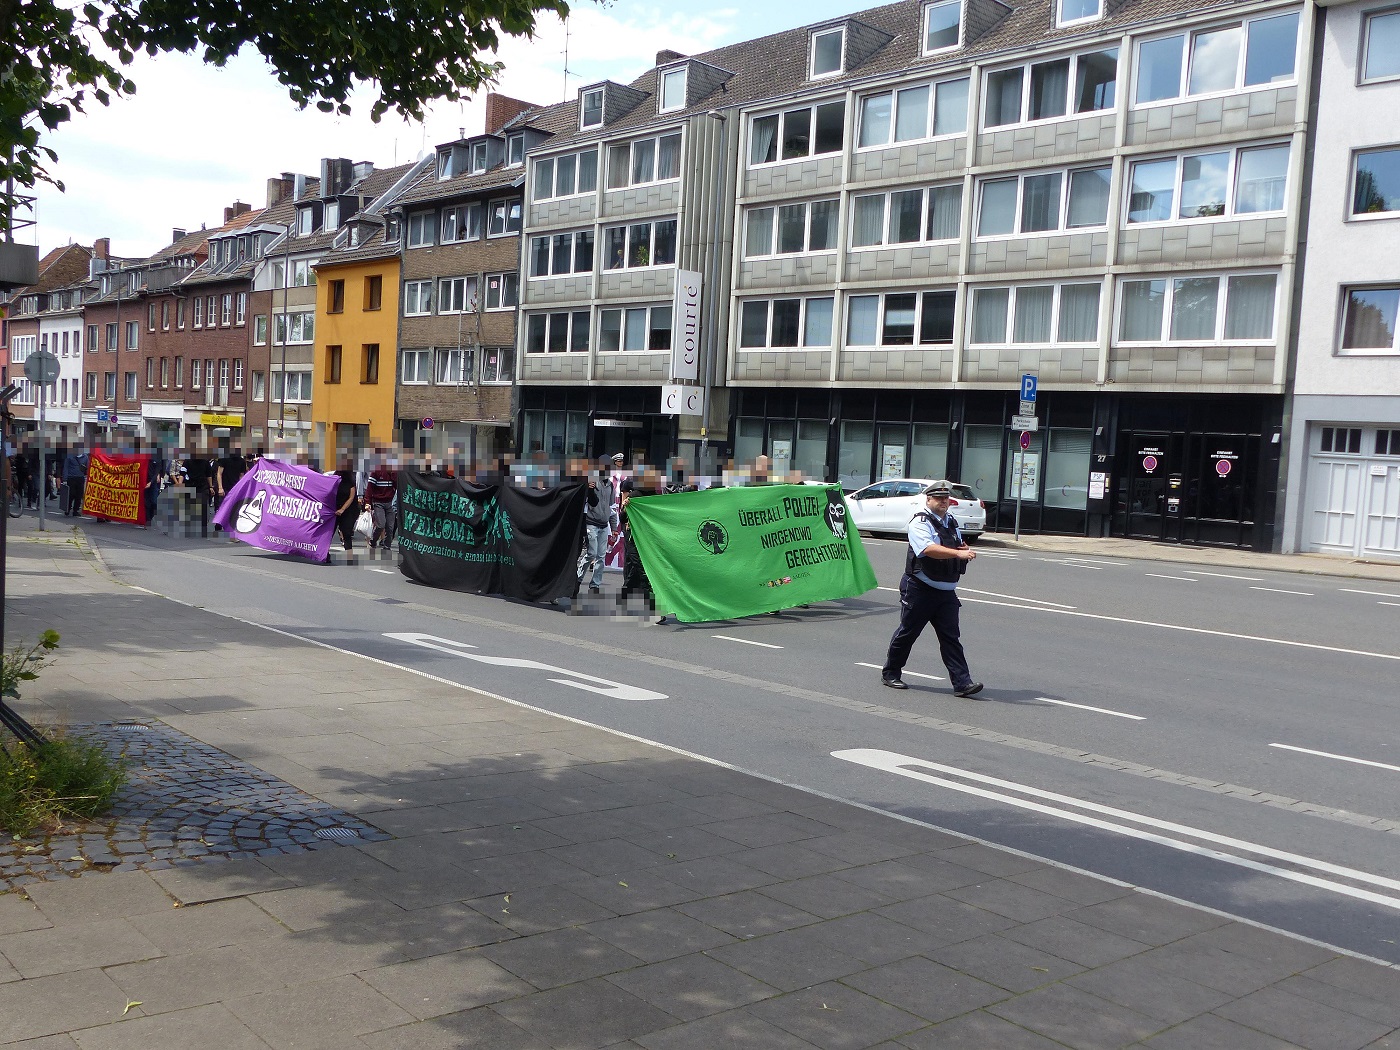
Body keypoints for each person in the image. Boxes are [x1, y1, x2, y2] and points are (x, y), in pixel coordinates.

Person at [881, 479, 983, 697]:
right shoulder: (920, 522)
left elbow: (955, 544)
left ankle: (962, 683)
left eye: (946, 498)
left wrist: (962, 548)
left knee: (950, 638)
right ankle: (891, 673)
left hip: (946, 591)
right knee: (908, 632)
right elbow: (928, 549)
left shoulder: (950, 521)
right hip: (920, 588)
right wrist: (958, 553)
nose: (943, 502)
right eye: (939, 498)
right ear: (928, 499)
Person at [578, 454, 616, 595]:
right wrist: (588, 487)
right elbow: (587, 500)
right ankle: (578, 578)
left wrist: (613, 528)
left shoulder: (610, 485)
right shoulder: (592, 481)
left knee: (601, 556)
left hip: (604, 524)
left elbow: (612, 508)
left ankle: (595, 585)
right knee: (591, 553)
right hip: (591, 523)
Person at [364, 454, 398, 551]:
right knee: (380, 524)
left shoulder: (393, 473)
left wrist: (392, 474)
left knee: (390, 527)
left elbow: (397, 485)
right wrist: (367, 502)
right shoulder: (376, 472)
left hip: (390, 503)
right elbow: (369, 488)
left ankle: (387, 546)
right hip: (378, 502)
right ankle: (373, 541)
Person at [332, 459, 360, 555]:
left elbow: (351, 498)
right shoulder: (333, 479)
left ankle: (349, 553)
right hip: (334, 509)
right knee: (329, 532)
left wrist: (342, 509)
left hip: (348, 510)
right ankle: (324, 554)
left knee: (347, 532)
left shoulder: (350, 482)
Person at [62, 443, 89, 516]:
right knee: (71, 494)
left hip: (80, 478)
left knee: (79, 495)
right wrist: (65, 479)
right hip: (71, 478)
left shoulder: (85, 457)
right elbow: (66, 468)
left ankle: (75, 510)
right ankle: (67, 508)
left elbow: (88, 468)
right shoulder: (69, 456)